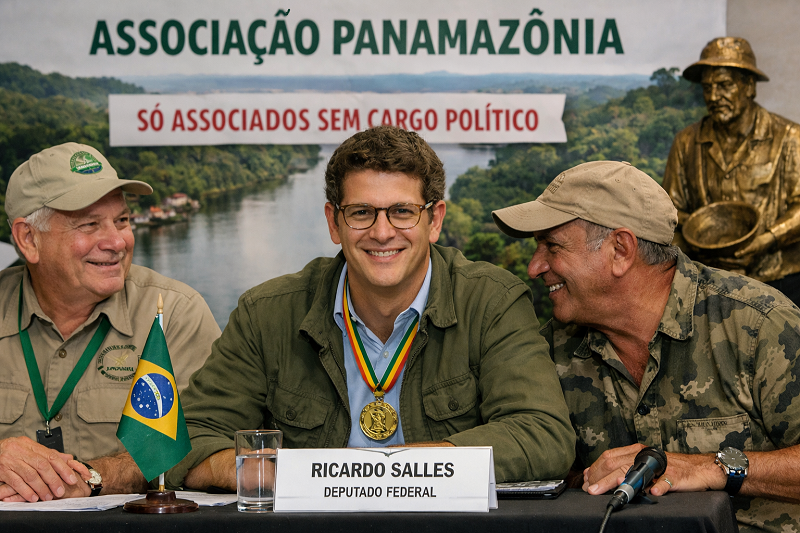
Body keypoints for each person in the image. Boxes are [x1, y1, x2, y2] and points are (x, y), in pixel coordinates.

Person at [167, 125, 575, 490]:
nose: (382, 233)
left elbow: (543, 435)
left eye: (402, 212)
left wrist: (385, 471)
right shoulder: (265, 314)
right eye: (361, 213)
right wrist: (267, 473)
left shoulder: (492, 302)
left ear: (434, 221)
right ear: (334, 222)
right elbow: (186, 439)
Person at [493, 160, 800, 533]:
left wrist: (710, 467)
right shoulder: (549, 350)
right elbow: (528, 474)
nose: (534, 267)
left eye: (552, 246)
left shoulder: (758, 325)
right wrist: (582, 479)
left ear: (620, 250)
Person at [0, 143, 220, 502]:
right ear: (29, 239)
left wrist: (91, 478)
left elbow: (201, 441)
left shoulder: (174, 314)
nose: (118, 241)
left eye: (122, 220)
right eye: (89, 225)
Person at [663, 36, 800, 303]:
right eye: (707, 88)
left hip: (781, 282)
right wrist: (696, 234)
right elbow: (669, 213)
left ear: (749, 86)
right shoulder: (686, 143)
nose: (714, 97)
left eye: (725, 85)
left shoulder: (790, 138)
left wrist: (767, 240)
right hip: (709, 284)